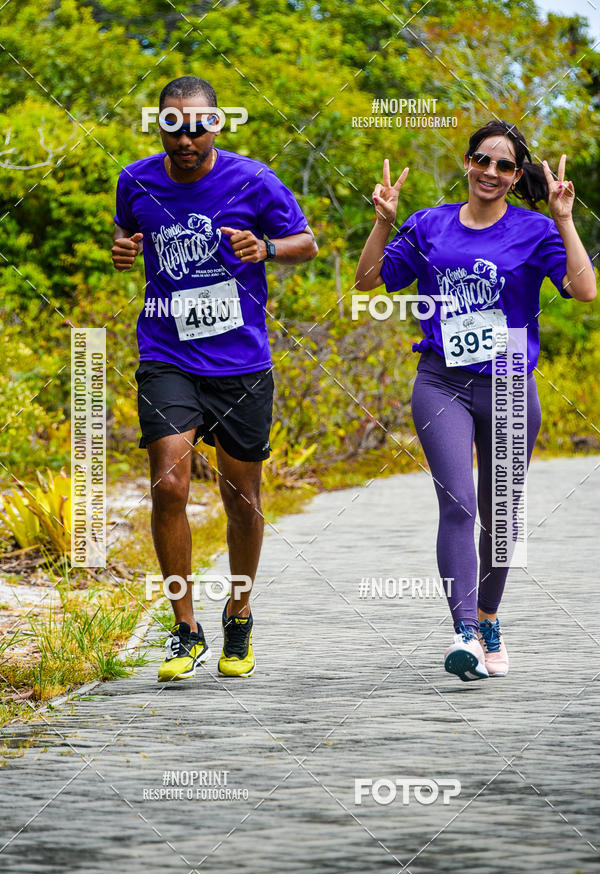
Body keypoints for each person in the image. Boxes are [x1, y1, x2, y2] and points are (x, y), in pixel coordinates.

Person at [355, 120, 596, 682]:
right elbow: (368, 281)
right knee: (458, 505)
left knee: (502, 517)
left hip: (511, 383)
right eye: (481, 160)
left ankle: (489, 618)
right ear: (466, 163)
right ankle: (463, 630)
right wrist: (383, 223)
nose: (490, 172)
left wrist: (564, 219)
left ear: (516, 177)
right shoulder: (428, 225)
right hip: (442, 381)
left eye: (504, 166)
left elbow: (584, 289)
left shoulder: (535, 231)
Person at [112, 76, 317, 681]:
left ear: (217, 125)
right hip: (166, 353)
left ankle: (240, 611)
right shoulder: (135, 179)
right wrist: (124, 248)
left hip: (240, 364)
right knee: (169, 485)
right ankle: (184, 627)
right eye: (174, 124)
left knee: (241, 497)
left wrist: (267, 250)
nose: (187, 136)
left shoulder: (254, 180)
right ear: (161, 126)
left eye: (198, 124)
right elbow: (126, 230)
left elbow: (305, 242)